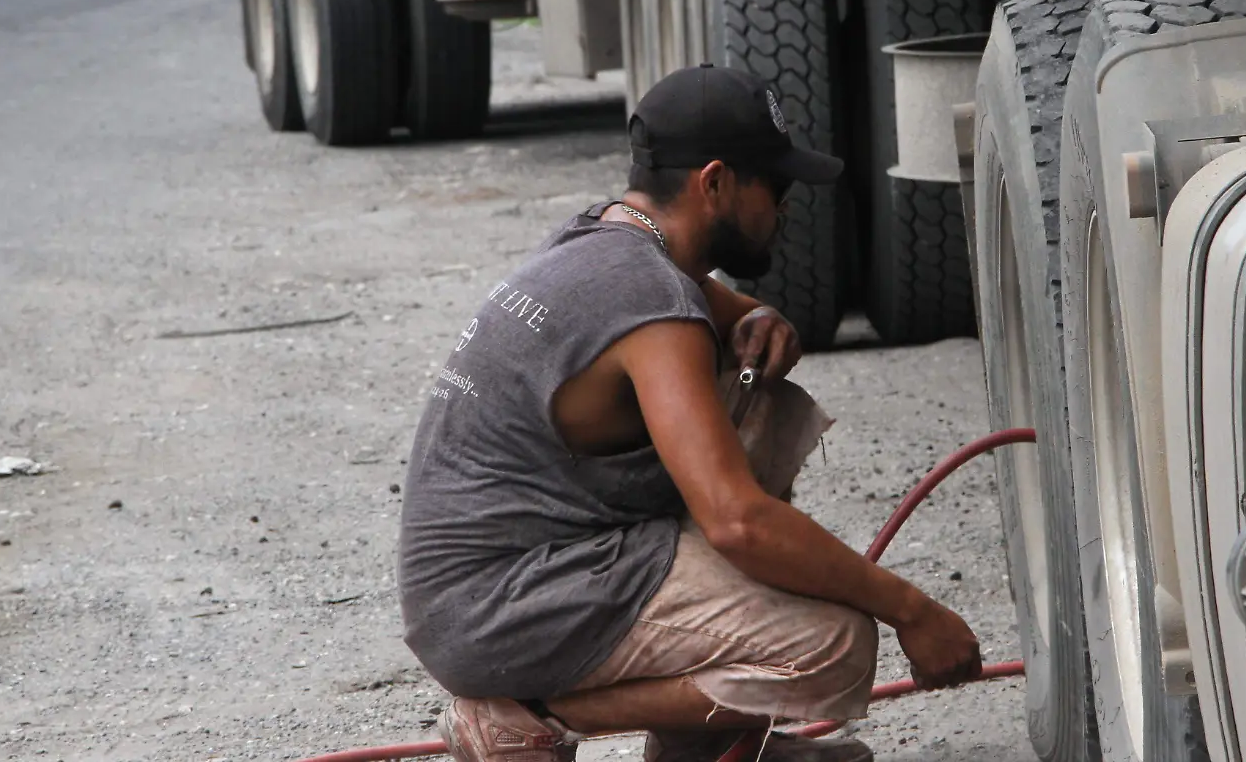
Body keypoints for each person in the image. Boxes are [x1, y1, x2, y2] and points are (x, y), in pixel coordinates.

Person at [398, 64, 983, 762]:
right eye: (777, 187)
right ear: (715, 183)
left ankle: (699, 750)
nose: (786, 209)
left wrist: (763, 315)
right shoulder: (651, 303)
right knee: (831, 645)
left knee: (748, 384)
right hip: (502, 605)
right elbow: (738, 521)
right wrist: (913, 611)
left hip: (488, 587)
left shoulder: (607, 239)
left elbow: (722, 310)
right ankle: (525, 715)